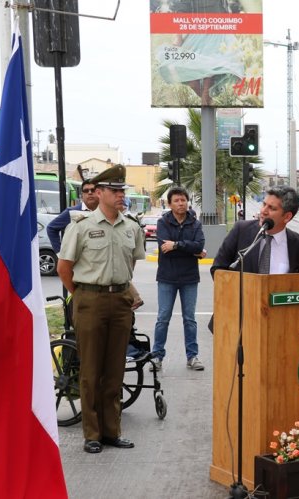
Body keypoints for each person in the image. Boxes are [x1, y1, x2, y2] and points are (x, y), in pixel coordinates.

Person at [57, 165, 146, 454]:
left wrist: (118, 288)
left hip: (120, 301)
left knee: (115, 369)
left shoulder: (131, 227)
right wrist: (82, 295)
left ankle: (112, 431)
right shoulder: (81, 226)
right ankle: (92, 433)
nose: (122, 195)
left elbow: (130, 264)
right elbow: (64, 268)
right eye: (116, 190)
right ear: (99, 193)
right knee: (91, 369)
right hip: (90, 300)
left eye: (123, 190)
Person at [152, 186, 206, 372]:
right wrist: (190, 250)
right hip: (167, 277)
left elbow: (199, 245)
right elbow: (163, 248)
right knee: (163, 318)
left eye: (183, 200)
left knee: (190, 319)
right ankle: (157, 356)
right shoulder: (163, 222)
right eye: (176, 200)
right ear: (170, 204)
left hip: (190, 278)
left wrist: (175, 245)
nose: (180, 203)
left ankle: (192, 356)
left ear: (187, 201)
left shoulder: (195, 223)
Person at [212, 186, 299, 275]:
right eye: (264, 204)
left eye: (271, 208)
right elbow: (218, 269)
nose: (263, 211)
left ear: (287, 217)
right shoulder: (241, 230)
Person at [46, 178, 99, 253]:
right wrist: (60, 253)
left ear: (99, 192)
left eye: (93, 190)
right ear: (82, 195)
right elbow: (51, 228)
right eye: (86, 191)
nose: (90, 193)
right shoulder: (73, 212)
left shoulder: (105, 211)